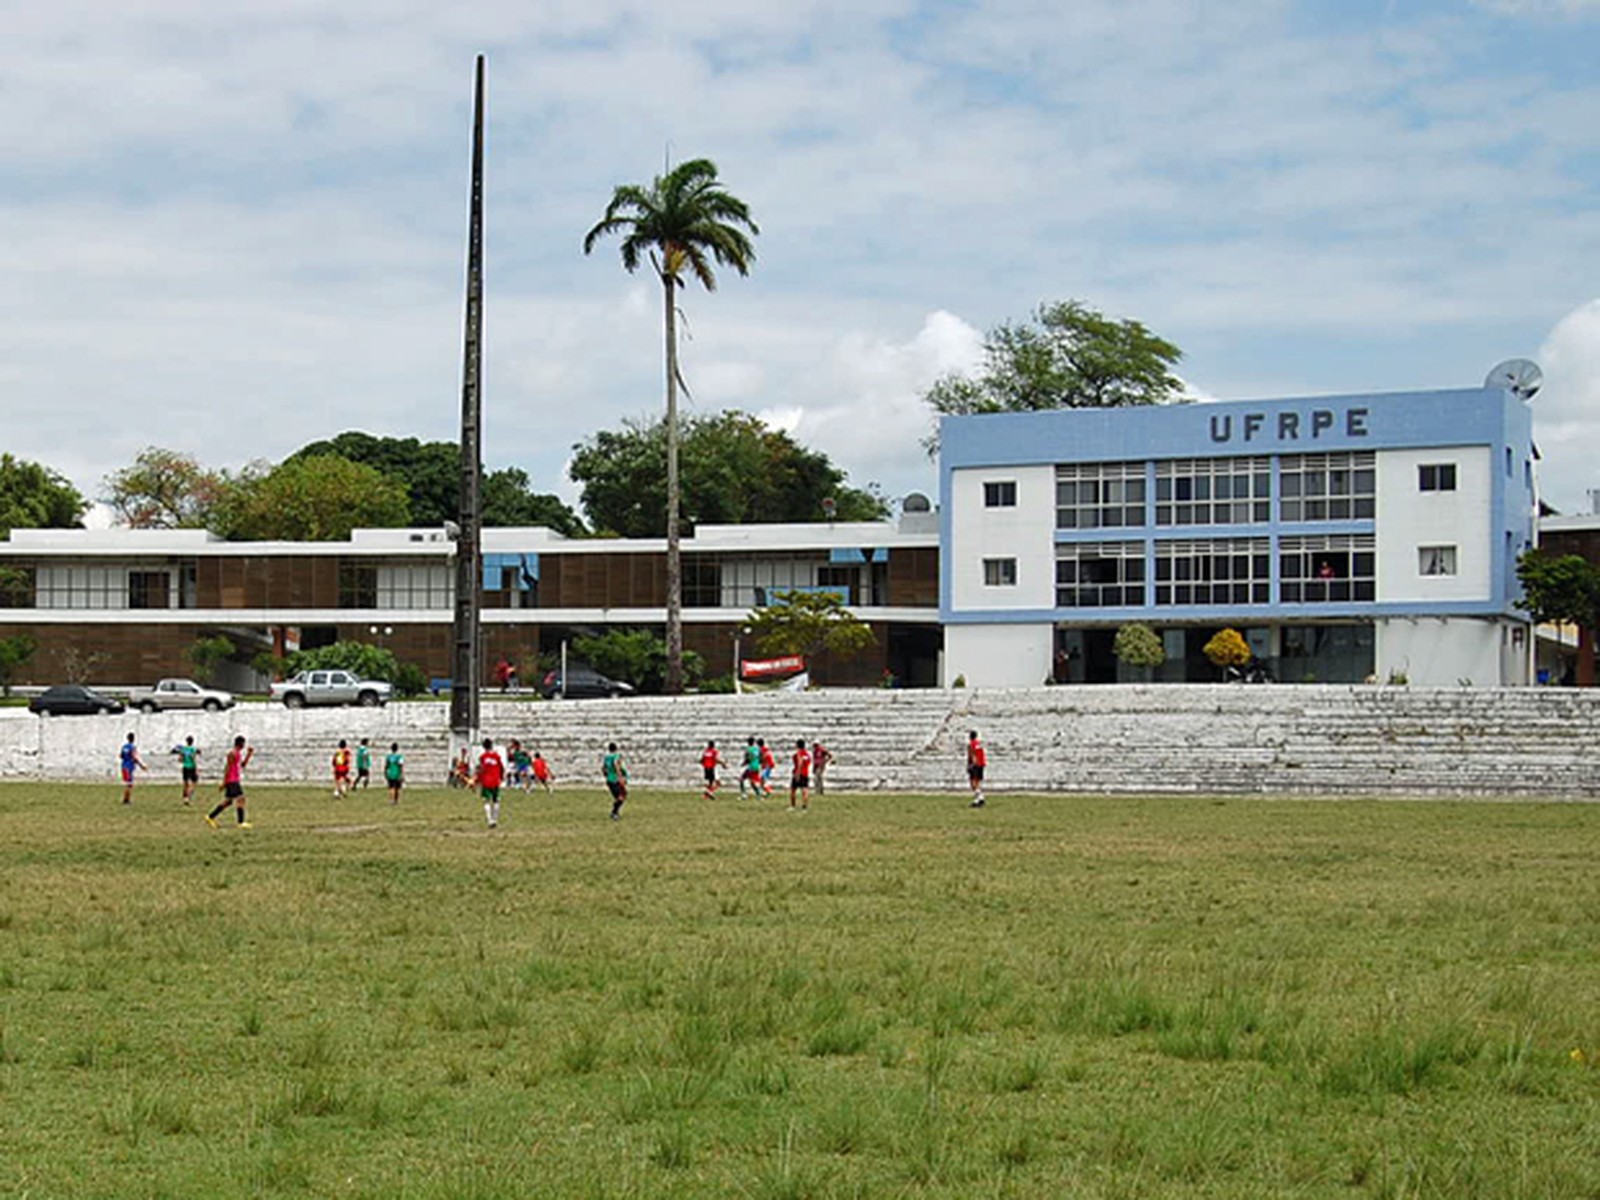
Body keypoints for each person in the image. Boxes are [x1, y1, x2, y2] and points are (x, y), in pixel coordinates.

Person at [206, 735, 254, 829]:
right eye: (243, 743)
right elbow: (227, 768)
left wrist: (249, 754)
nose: (244, 745)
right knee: (241, 799)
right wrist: (224, 782)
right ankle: (241, 822)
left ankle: (210, 817)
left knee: (228, 802)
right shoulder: (232, 753)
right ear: (240, 744)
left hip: (234, 779)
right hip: (232, 780)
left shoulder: (238, 753)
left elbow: (242, 765)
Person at [477, 737, 505, 829]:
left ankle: (490, 821)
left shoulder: (482, 757)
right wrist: (501, 777)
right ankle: (495, 820)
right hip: (495, 781)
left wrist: (478, 780)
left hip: (486, 781)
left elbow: (481, 770)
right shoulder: (497, 756)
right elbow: (501, 768)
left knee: (486, 801)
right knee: (496, 800)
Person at [170, 735, 201, 805]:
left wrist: (185, 760)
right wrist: (196, 768)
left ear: (186, 741)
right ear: (192, 742)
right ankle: (189, 796)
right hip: (192, 767)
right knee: (194, 783)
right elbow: (193, 759)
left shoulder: (183, 749)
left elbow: (180, 759)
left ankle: (185, 798)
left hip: (185, 767)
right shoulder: (193, 749)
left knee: (185, 784)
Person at [602, 742, 628, 820]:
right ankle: (614, 813)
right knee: (621, 796)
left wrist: (607, 776)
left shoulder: (606, 758)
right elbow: (617, 767)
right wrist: (620, 778)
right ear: (616, 748)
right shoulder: (616, 757)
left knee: (621, 795)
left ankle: (615, 812)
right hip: (615, 780)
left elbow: (603, 769)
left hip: (609, 780)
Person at [119, 732, 146, 805]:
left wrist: (126, 758)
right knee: (129, 784)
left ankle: (126, 799)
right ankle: (126, 800)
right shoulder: (132, 747)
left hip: (123, 766)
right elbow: (134, 757)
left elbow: (121, 756)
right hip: (129, 767)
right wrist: (141, 766)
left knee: (128, 784)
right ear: (133, 739)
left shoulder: (124, 747)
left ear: (127, 738)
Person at [789, 738, 812, 812]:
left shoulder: (799, 753)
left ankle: (793, 806)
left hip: (798, 773)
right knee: (805, 790)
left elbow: (800, 763)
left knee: (793, 790)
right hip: (805, 773)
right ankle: (804, 807)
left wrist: (797, 774)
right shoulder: (807, 754)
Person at [966, 730, 987, 808]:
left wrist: (971, 765)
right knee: (977, 782)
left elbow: (972, 754)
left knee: (973, 783)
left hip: (976, 764)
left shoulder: (971, 744)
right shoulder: (979, 744)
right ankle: (980, 799)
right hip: (981, 764)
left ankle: (978, 799)